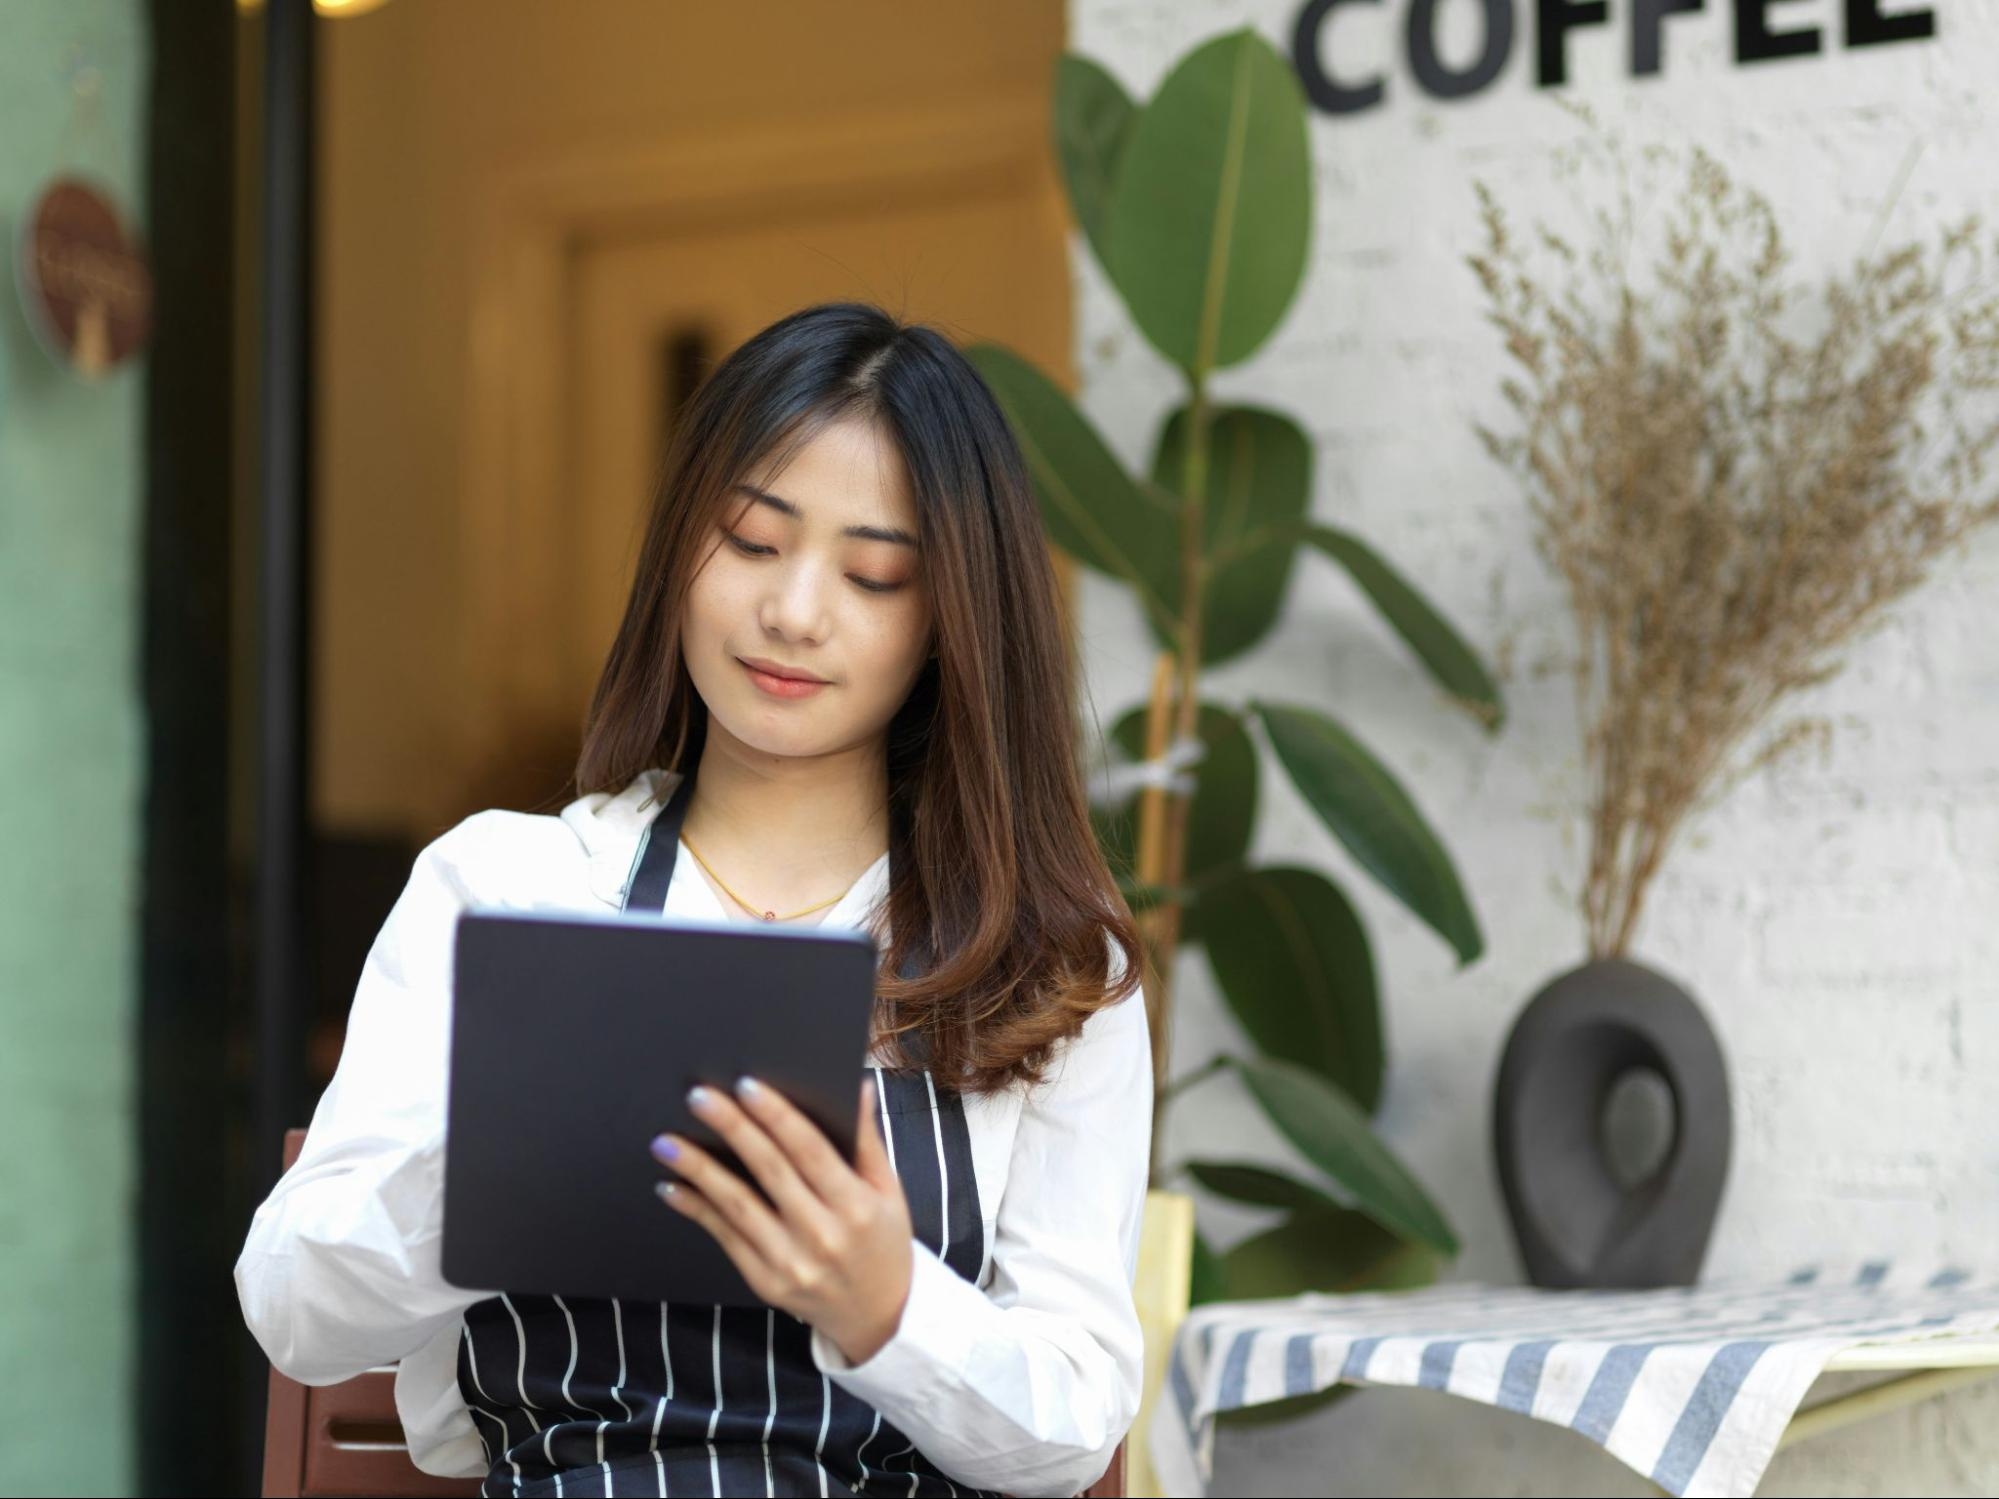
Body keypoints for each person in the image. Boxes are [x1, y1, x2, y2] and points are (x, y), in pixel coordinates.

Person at [233, 301, 1154, 1498]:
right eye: (753, 541)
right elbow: (292, 1310)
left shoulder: (1046, 963)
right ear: (681, 548)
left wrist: (890, 1306)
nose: (795, 611)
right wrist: (502, 1161)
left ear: (949, 624)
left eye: (873, 573)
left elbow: (1075, 1421)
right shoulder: (506, 886)